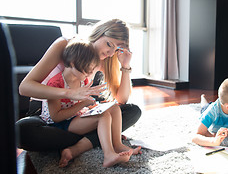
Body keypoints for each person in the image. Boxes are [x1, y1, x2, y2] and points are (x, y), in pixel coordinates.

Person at [16, 19, 142, 162]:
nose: (111, 53)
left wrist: (125, 66)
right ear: (99, 34)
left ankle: (85, 142)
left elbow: (122, 100)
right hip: (47, 113)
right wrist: (69, 93)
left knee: (132, 111)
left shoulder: (103, 59)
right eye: (109, 44)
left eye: (116, 49)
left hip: (77, 114)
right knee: (22, 131)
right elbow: (24, 88)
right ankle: (95, 138)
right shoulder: (65, 45)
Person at [41, 39, 140, 167]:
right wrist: (84, 104)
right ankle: (108, 155)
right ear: (72, 62)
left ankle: (118, 145)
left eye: (91, 70)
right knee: (103, 117)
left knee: (114, 108)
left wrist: (92, 105)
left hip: (75, 115)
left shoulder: (83, 79)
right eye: (86, 70)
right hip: (59, 123)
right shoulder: (56, 84)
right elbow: (56, 117)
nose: (89, 74)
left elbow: (84, 103)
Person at [192, 77, 228, 146]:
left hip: (222, 106)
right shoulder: (212, 111)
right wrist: (213, 141)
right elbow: (195, 136)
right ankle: (203, 98)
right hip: (209, 108)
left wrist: (215, 135)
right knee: (204, 107)